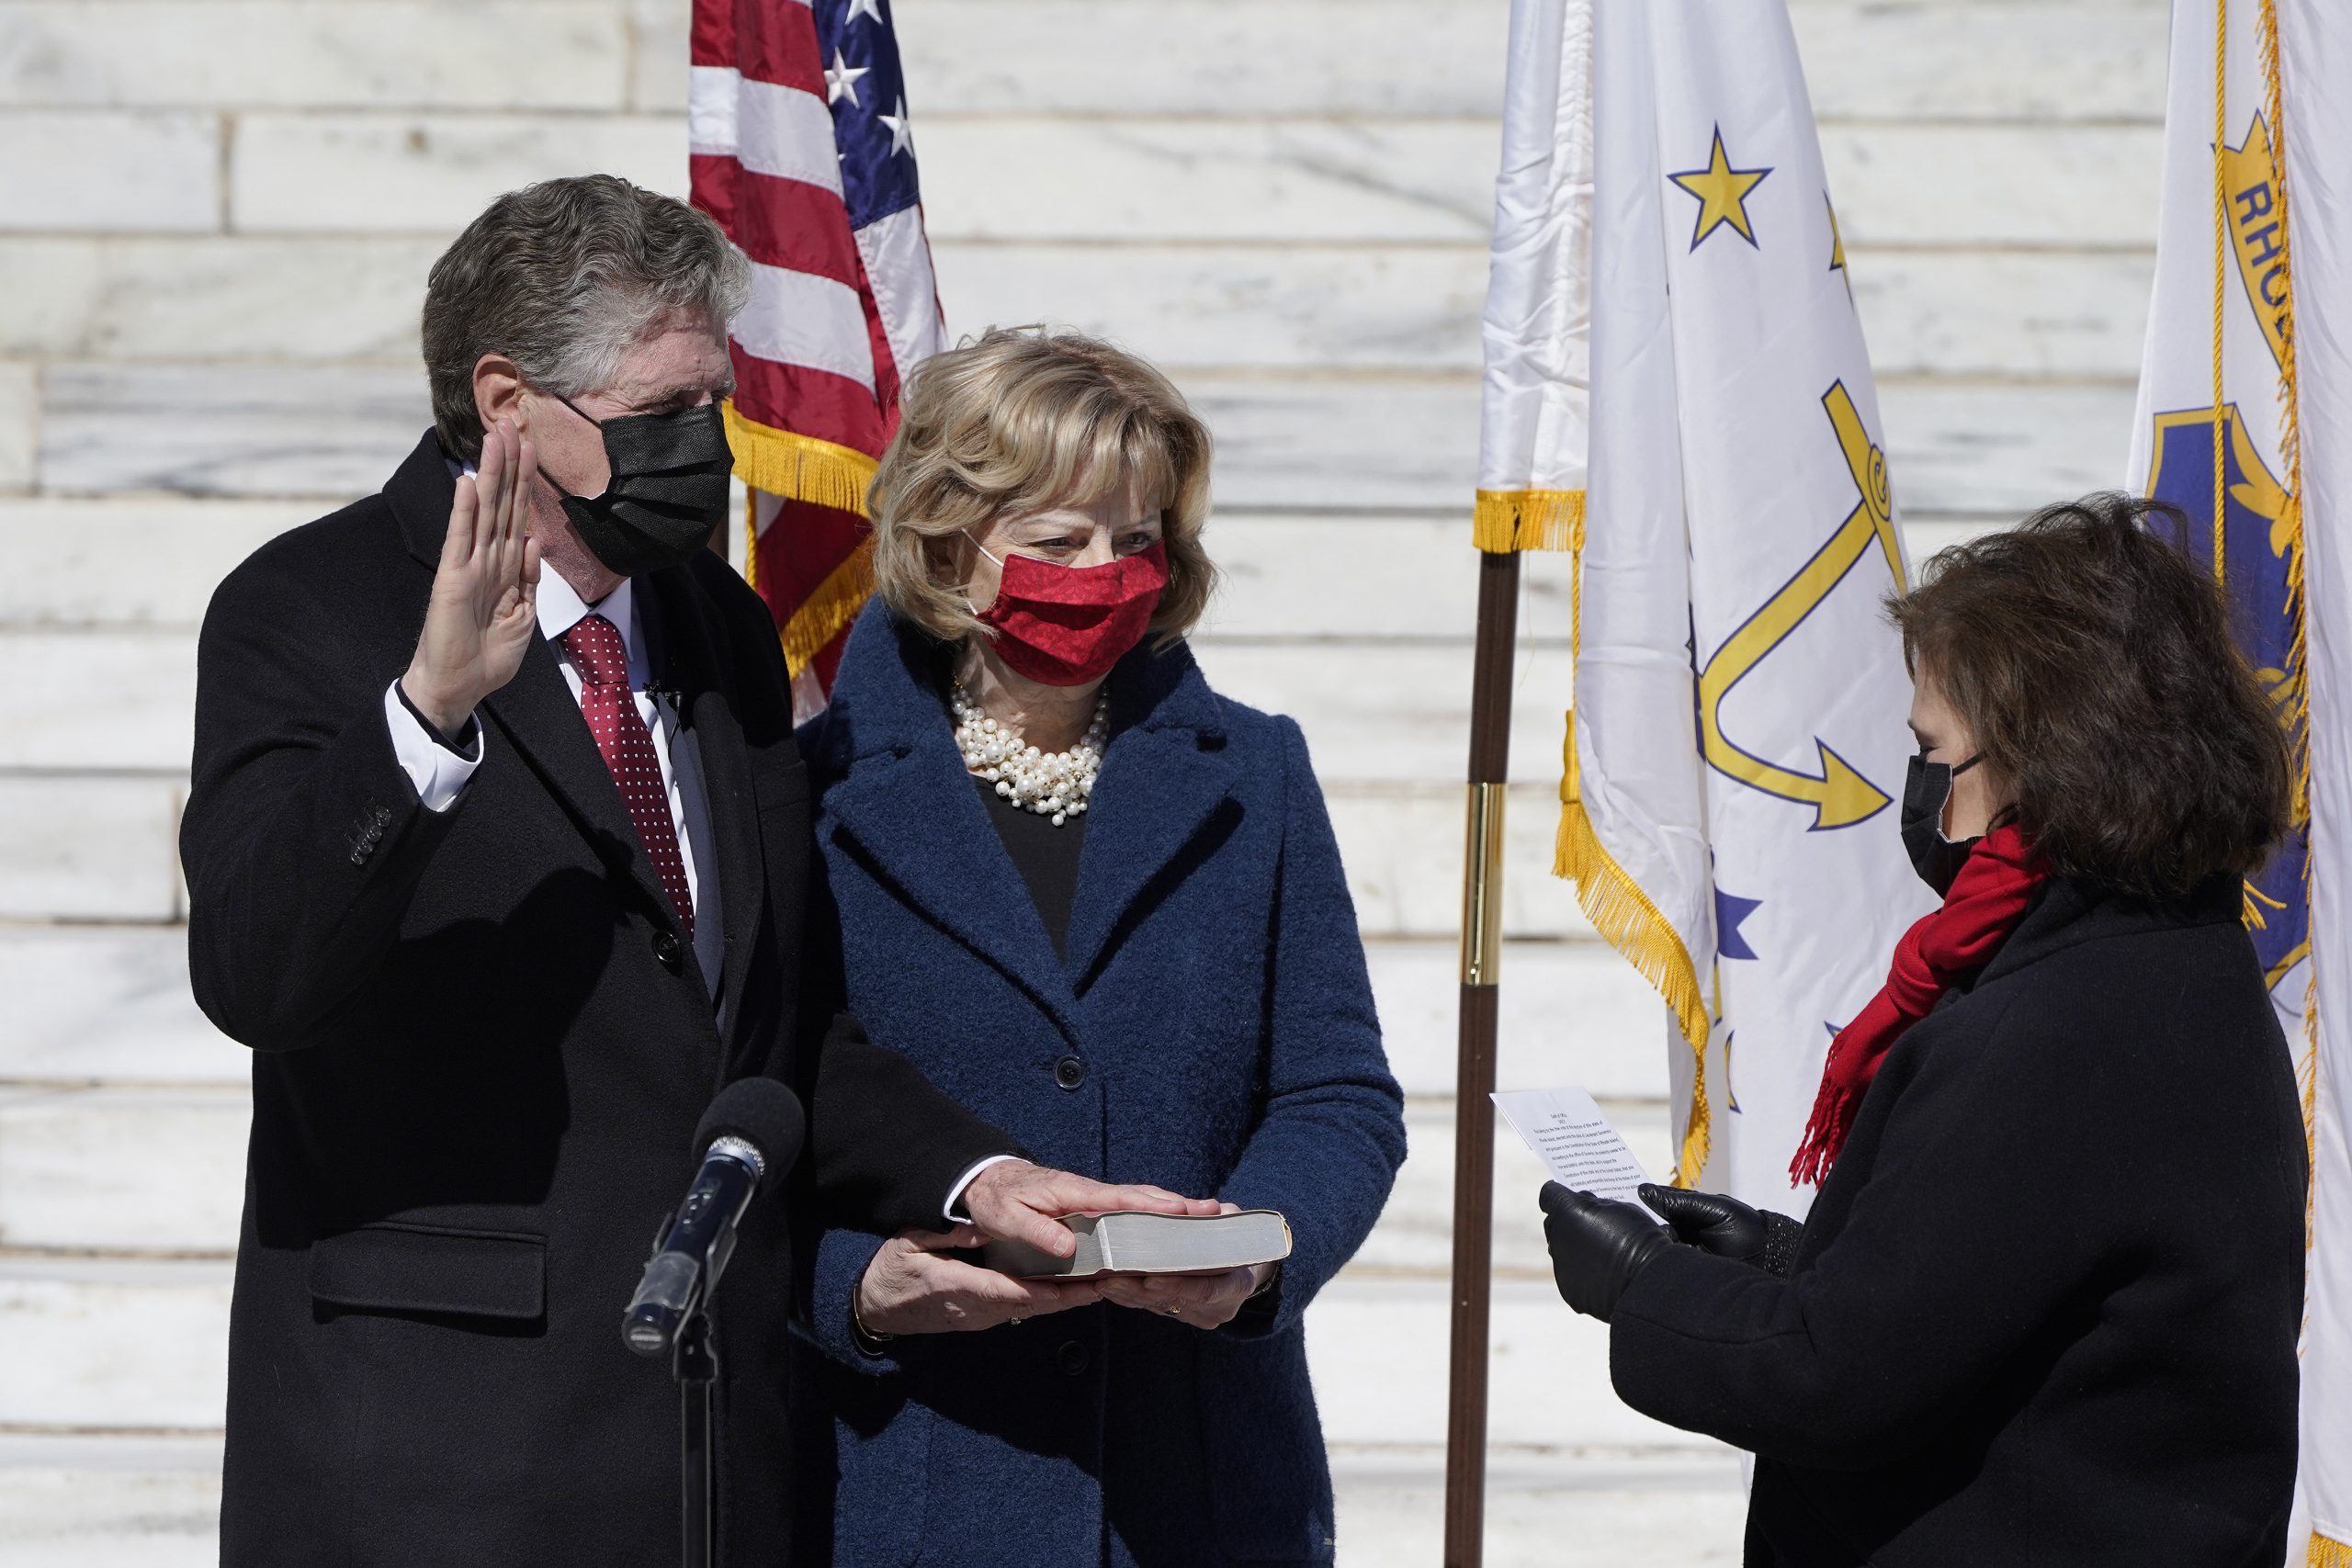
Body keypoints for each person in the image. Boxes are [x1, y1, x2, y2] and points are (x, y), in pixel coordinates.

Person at [180, 179, 1207, 1568]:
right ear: (508, 403)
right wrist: (425, 717)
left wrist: (981, 1174)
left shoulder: (712, 620)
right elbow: (255, 972)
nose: (705, 445)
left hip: (709, 1460)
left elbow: (764, 1020)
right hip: (433, 1466)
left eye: (713, 402)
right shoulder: (311, 606)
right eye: (663, 412)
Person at [1540, 494, 2307, 1565]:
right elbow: (2011, 1298)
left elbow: (1837, 1380)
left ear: (2043, 760)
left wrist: (1640, 1287)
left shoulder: (2052, 1025)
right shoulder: (2179, 961)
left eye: (1933, 752)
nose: (1924, 796)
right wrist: (1776, 1258)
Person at [790, 327, 1408, 1567]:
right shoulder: (812, 784)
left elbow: (1339, 1091)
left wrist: (1254, 1249)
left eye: (1136, 540)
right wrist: (854, 1285)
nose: (1105, 571)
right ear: (948, 536)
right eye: (1060, 540)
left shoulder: (1259, 771)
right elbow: (769, 1088)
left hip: (1197, 1484)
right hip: (921, 1474)